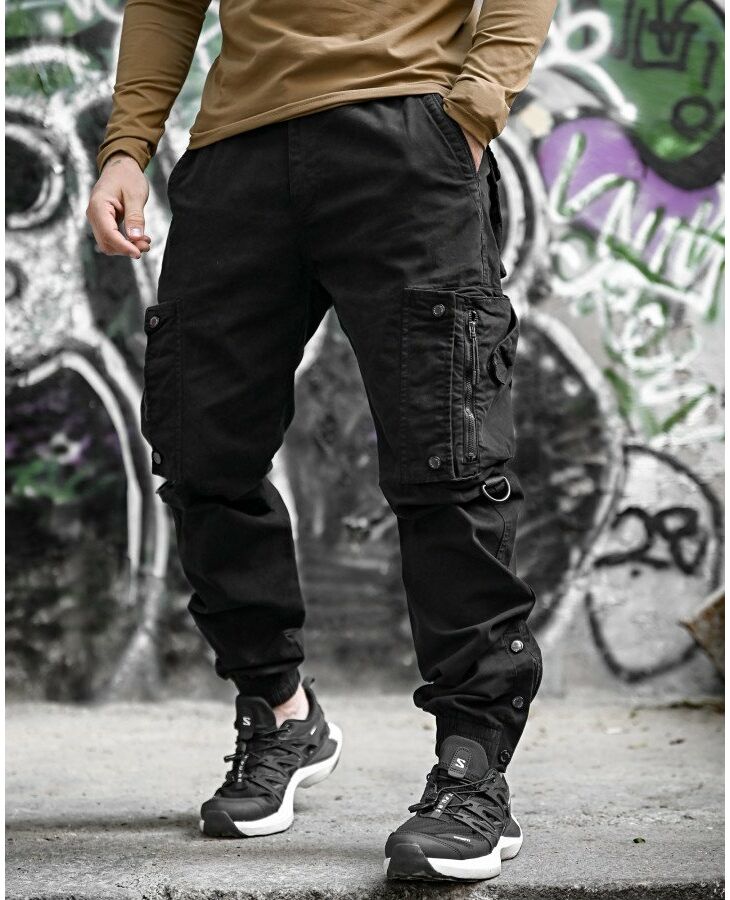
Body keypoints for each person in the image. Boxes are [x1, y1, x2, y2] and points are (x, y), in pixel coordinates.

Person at [86, 0, 556, 882]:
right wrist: (127, 147)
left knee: (447, 459)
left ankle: (472, 769)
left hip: (406, 130)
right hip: (235, 152)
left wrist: (476, 108)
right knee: (199, 452)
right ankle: (279, 711)